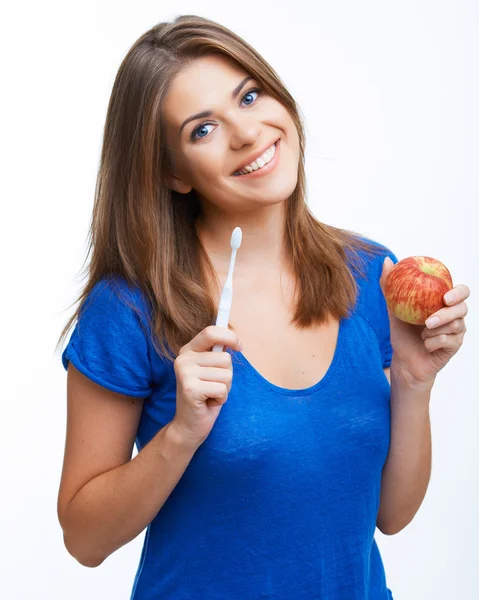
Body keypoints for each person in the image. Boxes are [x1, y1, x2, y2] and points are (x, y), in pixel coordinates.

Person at [55, 15, 469, 600]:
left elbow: (391, 515)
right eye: (203, 130)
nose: (247, 133)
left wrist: (412, 381)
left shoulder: (371, 273)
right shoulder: (130, 309)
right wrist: (180, 435)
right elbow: (84, 539)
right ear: (173, 174)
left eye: (250, 96)